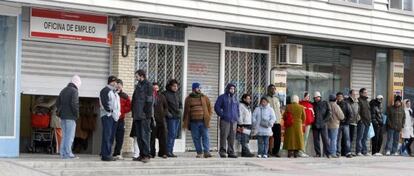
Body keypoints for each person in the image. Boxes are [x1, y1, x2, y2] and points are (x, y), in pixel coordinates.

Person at [183, 82, 213, 158]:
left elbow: (210, 108)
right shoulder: (188, 98)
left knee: (205, 136)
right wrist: (185, 121)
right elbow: (186, 111)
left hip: (203, 121)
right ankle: (199, 152)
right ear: (194, 89)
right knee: (196, 138)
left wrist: (208, 117)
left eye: (200, 88)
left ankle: (206, 152)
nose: (199, 89)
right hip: (193, 122)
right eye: (198, 88)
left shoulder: (204, 97)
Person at [56, 75, 81, 159]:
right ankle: (68, 153)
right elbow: (74, 104)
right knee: (70, 136)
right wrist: (76, 114)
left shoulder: (63, 90)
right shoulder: (74, 91)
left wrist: (60, 113)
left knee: (64, 135)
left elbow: (57, 103)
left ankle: (62, 153)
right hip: (70, 117)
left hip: (63, 117)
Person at [131, 70, 153, 163]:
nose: (136, 78)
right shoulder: (138, 85)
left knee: (145, 136)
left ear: (142, 76)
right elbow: (134, 99)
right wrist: (133, 113)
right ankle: (141, 154)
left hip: (144, 115)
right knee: (139, 136)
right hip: (137, 115)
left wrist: (147, 113)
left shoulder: (148, 85)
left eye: (137, 76)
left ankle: (146, 155)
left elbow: (149, 100)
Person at [99, 75, 121, 161]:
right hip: (107, 116)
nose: (116, 84)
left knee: (111, 136)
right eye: (115, 82)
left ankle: (108, 154)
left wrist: (117, 114)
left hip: (114, 117)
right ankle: (105, 155)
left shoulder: (114, 92)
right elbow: (104, 103)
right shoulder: (105, 90)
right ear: (111, 82)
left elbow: (117, 105)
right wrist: (110, 111)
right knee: (107, 135)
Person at [215, 83, 239, 158]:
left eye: (233, 89)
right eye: (231, 88)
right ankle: (222, 151)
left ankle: (231, 152)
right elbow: (217, 107)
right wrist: (222, 115)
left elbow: (237, 109)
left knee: (232, 137)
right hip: (225, 120)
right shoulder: (222, 97)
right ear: (228, 89)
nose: (232, 90)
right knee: (224, 136)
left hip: (233, 121)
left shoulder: (235, 98)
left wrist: (237, 117)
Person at [112, 79, 131, 160]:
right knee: (110, 136)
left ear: (122, 86)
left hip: (121, 119)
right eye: (117, 85)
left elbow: (129, 107)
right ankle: (108, 152)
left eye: (120, 85)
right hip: (112, 119)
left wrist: (121, 111)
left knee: (120, 138)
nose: (118, 86)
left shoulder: (125, 96)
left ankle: (117, 153)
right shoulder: (111, 94)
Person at [163, 79, 183, 158]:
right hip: (170, 118)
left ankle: (170, 151)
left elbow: (180, 104)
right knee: (171, 134)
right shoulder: (165, 94)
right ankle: (168, 151)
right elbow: (164, 106)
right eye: (174, 86)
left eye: (177, 86)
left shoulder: (177, 94)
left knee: (174, 135)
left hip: (177, 117)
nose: (176, 87)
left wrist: (180, 111)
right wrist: (168, 114)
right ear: (170, 86)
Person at [150, 82, 168, 159]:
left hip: (161, 120)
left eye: (156, 88)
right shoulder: (150, 96)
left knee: (163, 137)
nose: (155, 89)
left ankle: (163, 152)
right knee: (152, 137)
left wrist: (163, 114)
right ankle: (152, 153)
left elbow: (166, 107)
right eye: (154, 88)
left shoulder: (162, 96)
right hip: (153, 119)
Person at [264, 84, 282, 157]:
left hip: (277, 121)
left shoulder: (277, 99)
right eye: (272, 89)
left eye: (274, 89)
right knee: (267, 137)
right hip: (269, 121)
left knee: (278, 137)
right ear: (268, 89)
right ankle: (267, 151)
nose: (273, 90)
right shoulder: (265, 98)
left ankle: (276, 151)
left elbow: (279, 108)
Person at [312, 91, 331, 158]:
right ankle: (318, 153)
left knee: (325, 139)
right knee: (316, 140)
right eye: (315, 97)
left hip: (323, 124)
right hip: (315, 125)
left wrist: (325, 120)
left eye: (318, 97)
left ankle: (328, 153)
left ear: (320, 97)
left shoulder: (325, 103)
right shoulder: (313, 105)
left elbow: (329, 113)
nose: (316, 98)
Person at [336, 92, 353, 158]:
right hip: (337, 124)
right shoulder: (335, 104)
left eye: (340, 96)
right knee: (337, 139)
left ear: (343, 97)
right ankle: (337, 152)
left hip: (345, 124)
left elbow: (350, 114)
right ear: (336, 97)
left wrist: (347, 122)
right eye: (338, 96)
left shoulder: (346, 104)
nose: (339, 98)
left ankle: (348, 152)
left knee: (347, 139)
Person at [356, 88, 371, 156]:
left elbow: (368, 112)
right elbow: (357, 112)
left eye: (366, 92)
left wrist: (369, 120)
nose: (366, 93)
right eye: (365, 92)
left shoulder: (367, 101)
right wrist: (360, 120)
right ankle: (358, 151)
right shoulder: (359, 100)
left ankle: (364, 151)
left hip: (367, 122)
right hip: (362, 122)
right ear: (361, 93)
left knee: (365, 138)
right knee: (360, 137)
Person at [345, 89, 360, 156]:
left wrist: (358, 117)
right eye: (353, 94)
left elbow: (357, 111)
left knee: (352, 138)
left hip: (354, 122)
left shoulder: (356, 101)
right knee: (348, 138)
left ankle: (350, 150)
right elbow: (348, 111)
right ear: (350, 94)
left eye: (355, 94)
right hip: (349, 122)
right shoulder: (347, 101)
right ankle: (347, 151)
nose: (355, 95)